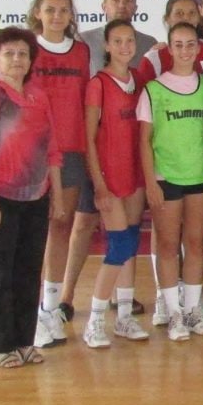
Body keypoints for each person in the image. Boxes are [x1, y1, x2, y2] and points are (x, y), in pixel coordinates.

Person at [62, 0, 158, 322]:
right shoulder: (83, 44)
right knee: (84, 224)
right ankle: (66, 297)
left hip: (130, 163)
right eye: (115, 0)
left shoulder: (147, 47)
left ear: (136, 7)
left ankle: (123, 304)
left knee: (127, 236)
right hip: (98, 160)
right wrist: (97, 176)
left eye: (128, 0)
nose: (122, 5)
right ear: (103, 5)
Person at [0, 27, 64, 367]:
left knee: (28, 271)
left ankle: (24, 340)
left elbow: (53, 150)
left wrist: (57, 194)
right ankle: (2, 346)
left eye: (23, 54)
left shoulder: (39, 97)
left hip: (36, 197)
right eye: (9, 54)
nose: (17, 59)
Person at [137, 22, 203, 341]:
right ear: (169, 49)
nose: (185, 50)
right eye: (178, 45)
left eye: (190, 44)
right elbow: (144, 141)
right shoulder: (154, 89)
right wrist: (151, 182)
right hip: (166, 178)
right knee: (168, 246)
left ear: (199, 48)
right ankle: (173, 313)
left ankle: (192, 310)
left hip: (200, 176)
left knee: (196, 244)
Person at [26, 0, 91, 349]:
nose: (57, 16)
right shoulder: (27, 48)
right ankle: (31, 311)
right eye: (50, 9)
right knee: (34, 228)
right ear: (37, 12)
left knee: (61, 224)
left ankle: (50, 309)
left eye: (64, 10)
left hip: (71, 151)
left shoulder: (81, 51)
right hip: (33, 154)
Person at [80, 20, 150, 348]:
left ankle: (124, 317)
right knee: (119, 245)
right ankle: (95, 321)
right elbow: (89, 139)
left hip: (135, 173)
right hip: (110, 175)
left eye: (129, 40)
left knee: (131, 242)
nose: (125, 46)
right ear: (106, 46)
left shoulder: (139, 80)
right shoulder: (98, 84)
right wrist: (99, 184)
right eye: (117, 41)